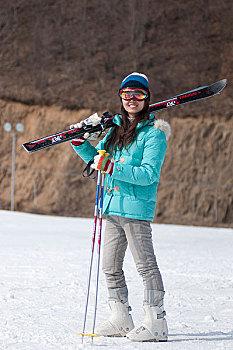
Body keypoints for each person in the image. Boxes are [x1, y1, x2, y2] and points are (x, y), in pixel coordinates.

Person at [70, 73, 171, 342]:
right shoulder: (114, 131)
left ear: (146, 98)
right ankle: (121, 318)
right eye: (126, 94)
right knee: (110, 267)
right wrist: (80, 143)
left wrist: (112, 166)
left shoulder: (154, 135)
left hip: (136, 209)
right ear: (121, 97)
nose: (132, 99)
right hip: (112, 206)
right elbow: (96, 159)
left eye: (138, 95)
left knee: (145, 266)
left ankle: (156, 321)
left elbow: (148, 173)